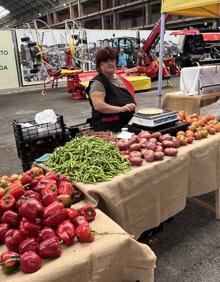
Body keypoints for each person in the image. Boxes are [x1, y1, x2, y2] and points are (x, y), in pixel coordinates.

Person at [85, 47, 136, 132]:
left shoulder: (120, 79)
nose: (110, 63)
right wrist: (122, 109)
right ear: (99, 65)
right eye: (105, 61)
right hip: (108, 129)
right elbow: (99, 106)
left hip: (126, 124)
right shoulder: (98, 83)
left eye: (112, 60)